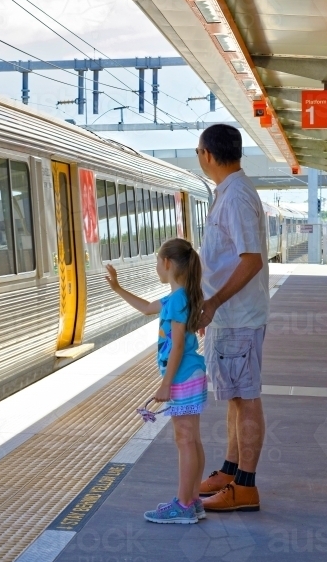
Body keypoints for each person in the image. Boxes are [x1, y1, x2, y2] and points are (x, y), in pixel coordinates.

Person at [106, 239, 208, 524]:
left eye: (156, 262)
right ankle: (194, 500)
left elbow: (176, 346)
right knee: (192, 440)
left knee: (184, 440)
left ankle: (184, 504)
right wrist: (117, 288)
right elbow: (147, 308)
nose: (155, 268)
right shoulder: (179, 296)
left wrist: (166, 384)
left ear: (167, 264)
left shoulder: (177, 300)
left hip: (182, 375)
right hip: (191, 374)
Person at [194, 124, 267, 513]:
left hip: (237, 315)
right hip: (231, 317)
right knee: (236, 398)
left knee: (246, 397)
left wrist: (215, 302)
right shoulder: (231, 192)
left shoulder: (235, 196)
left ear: (207, 154)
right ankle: (230, 471)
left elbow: (250, 259)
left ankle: (246, 487)